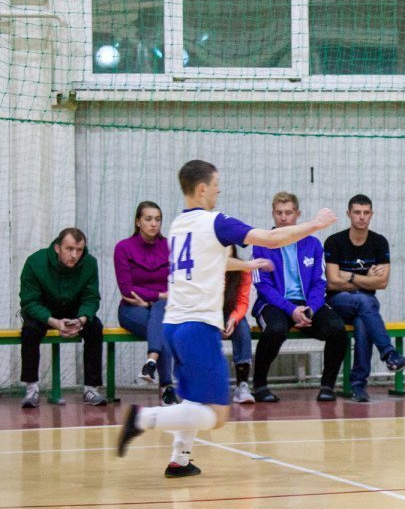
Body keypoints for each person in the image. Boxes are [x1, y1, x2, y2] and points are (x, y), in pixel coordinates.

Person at [116, 159, 334, 477]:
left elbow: (207, 260)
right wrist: (316, 224)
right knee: (218, 415)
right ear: (202, 189)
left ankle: (180, 459)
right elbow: (271, 238)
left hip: (173, 325)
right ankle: (142, 418)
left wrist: (246, 266)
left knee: (192, 399)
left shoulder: (178, 225)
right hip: (198, 327)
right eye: (216, 185)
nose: (219, 191)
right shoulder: (217, 223)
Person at [250, 192, 349, 403]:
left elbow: (319, 283)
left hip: (307, 305)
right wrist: (291, 310)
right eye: (279, 213)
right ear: (273, 214)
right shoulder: (261, 244)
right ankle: (260, 385)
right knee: (275, 329)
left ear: (298, 214)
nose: (283, 217)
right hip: (274, 304)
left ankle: (327, 386)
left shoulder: (313, 244)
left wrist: (310, 308)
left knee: (338, 330)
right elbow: (263, 286)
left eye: (288, 212)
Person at [324, 194, 405, 402]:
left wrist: (349, 275)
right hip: (338, 302)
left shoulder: (379, 242)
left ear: (371, 214)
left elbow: (382, 283)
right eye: (357, 212)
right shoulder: (334, 242)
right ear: (349, 214)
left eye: (365, 213)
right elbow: (332, 283)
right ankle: (389, 355)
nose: (361, 217)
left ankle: (358, 386)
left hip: (365, 307)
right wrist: (365, 278)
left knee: (363, 322)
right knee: (366, 301)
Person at [19, 228, 107, 408]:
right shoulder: (35, 262)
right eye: (69, 249)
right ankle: (31, 388)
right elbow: (29, 301)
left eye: (79, 250)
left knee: (95, 327)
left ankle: (91, 388)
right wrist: (53, 321)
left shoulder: (90, 263)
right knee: (30, 329)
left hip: (75, 311)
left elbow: (91, 298)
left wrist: (81, 319)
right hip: (43, 311)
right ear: (57, 248)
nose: (74, 255)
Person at [113, 201, 178, 405]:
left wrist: (153, 300)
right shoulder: (123, 248)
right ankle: (166, 388)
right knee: (163, 328)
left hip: (163, 307)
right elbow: (127, 289)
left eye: (158, 219)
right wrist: (158, 296)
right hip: (133, 308)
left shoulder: (170, 246)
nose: (154, 224)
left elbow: (177, 284)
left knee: (162, 322)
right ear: (138, 222)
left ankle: (151, 363)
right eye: (148, 219)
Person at [224, 247, 256, 404]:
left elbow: (242, 301)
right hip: (208, 311)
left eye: (226, 246)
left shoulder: (242, 268)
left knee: (243, 329)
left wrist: (233, 319)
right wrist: (214, 320)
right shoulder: (205, 267)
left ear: (232, 249)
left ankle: (242, 385)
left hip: (231, 312)